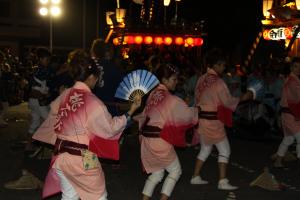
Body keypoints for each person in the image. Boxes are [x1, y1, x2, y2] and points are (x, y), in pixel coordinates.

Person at [32, 49, 141, 200]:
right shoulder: (93, 102)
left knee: (69, 196)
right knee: (98, 196)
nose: (97, 80)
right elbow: (110, 129)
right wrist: (131, 112)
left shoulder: (66, 94)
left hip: (61, 156)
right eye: (97, 77)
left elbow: (53, 111)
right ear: (91, 77)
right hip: (84, 157)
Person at [190, 48, 253, 190]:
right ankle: (222, 181)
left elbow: (197, 98)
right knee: (225, 150)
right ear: (217, 65)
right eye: (223, 65)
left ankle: (195, 176)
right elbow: (228, 101)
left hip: (203, 120)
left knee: (205, 149)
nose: (224, 68)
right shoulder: (218, 82)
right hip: (213, 121)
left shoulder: (201, 79)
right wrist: (245, 97)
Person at [134, 63, 198, 200]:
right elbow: (186, 115)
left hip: (146, 139)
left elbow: (145, 115)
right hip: (159, 140)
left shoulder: (153, 94)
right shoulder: (170, 99)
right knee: (175, 171)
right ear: (164, 80)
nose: (176, 82)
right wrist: (196, 110)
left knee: (157, 174)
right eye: (174, 79)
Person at [273, 57, 300, 168]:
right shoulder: (293, 81)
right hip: (290, 114)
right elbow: (298, 97)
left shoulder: (292, 80)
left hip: (288, 113)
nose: (298, 69)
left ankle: (278, 161)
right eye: (296, 66)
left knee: (288, 139)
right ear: (291, 67)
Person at [26, 47, 52, 152]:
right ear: (41, 59)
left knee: (35, 123)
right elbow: (34, 90)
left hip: (34, 102)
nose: (48, 62)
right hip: (38, 101)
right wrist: (45, 94)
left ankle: (29, 145)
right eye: (47, 59)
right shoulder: (40, 70)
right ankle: (45, 143)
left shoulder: (37, 69)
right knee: (50, 120)